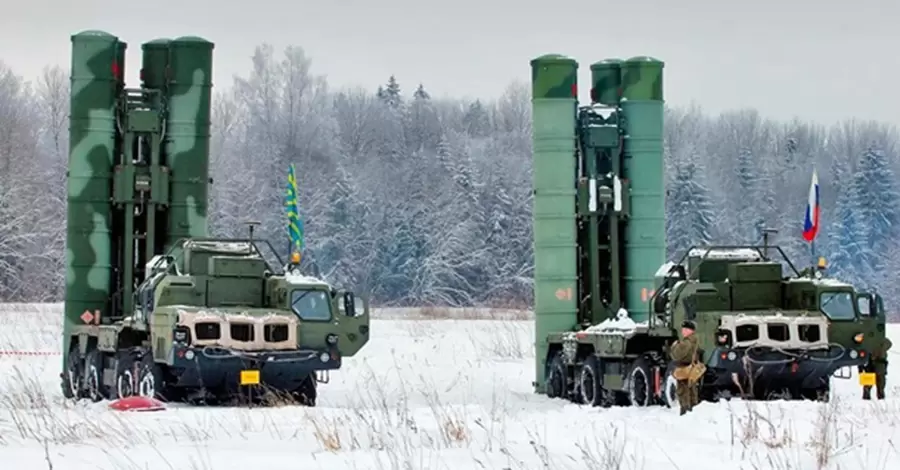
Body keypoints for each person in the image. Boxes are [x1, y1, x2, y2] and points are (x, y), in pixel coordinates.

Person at [669, 320, 705, 415]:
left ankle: (685, 412)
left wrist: (674, 346)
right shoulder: (694, 340)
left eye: (685, 329)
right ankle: (692, 411)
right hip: (691, 369)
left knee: (683, 391)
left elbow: (676, 355)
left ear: (691, 331)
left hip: (684, 370)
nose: (682, 331)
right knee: (692, 390)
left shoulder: (686, 343)